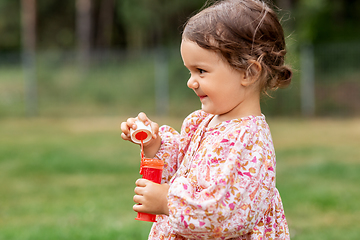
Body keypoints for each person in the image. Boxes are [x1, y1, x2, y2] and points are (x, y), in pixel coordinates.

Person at [121, 0, 292, 239]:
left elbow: (222, 214)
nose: (191, 82)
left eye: (201, 71)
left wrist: (167, 202)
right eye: (189, 71)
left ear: (248, 72)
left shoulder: (247, 140)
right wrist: (154, 144)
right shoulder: (202, 122)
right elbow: (184, 171)